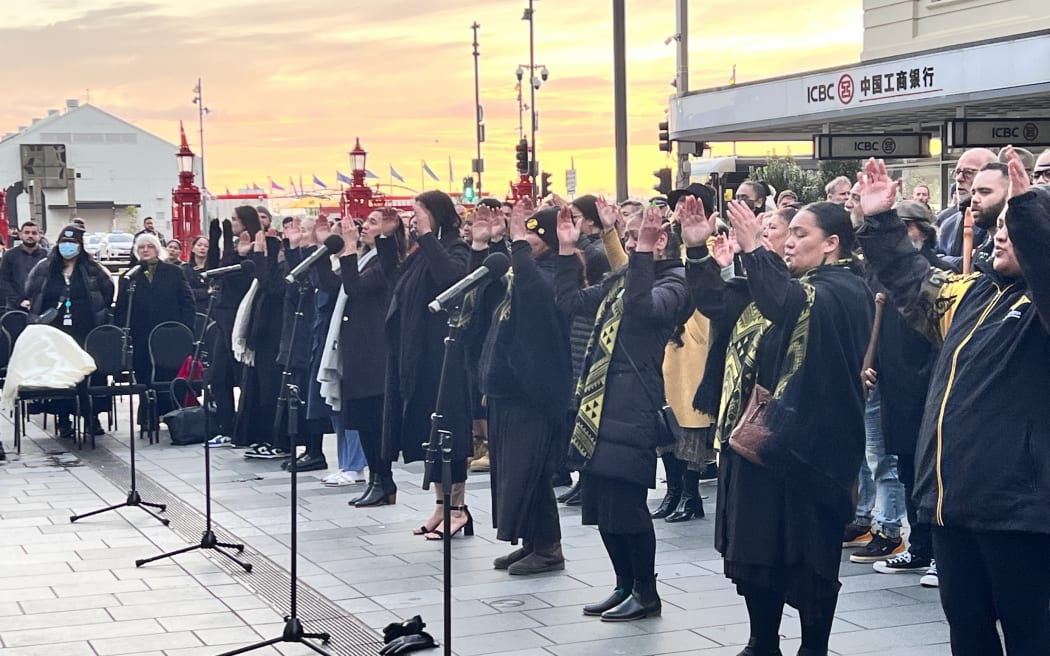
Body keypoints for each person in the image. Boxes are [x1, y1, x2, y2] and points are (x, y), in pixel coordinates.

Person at [857, 152, 1050, 656]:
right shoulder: (975, 293)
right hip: (951, 504)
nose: (1002, 233)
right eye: (1001, 223)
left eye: (1016, 222)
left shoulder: (1039, 306)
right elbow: (912, 284)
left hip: (1020, 513)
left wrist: (1030, 209)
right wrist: (880, 223)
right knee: (967, 632)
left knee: (1031, 636)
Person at [684, 196, 874, 656]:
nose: (788, 243)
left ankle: (814, 647)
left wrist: (755, 248)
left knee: (809, 557)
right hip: (758, 442)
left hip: (811, 448)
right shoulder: (783, 286)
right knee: (753, 550)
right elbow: (718, 303)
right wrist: (694, 251)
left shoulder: (841, 289)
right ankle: (762, 641)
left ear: (832, 244)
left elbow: (790, 305)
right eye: (785, 235)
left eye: (799, 234)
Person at [556, 204, 691, 621]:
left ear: (660, 240)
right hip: (598, 405)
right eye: (628, 238)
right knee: (601, 507)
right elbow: (570, 302)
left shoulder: (677, 280)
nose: (629, 245)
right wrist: (565, 251)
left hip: (633, 404)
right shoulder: (626, 276)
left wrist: (645, 254)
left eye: (637, 237)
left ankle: (646, 593)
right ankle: (623, 584)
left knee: (627, 505)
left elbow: (642, 308)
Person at [465, 202, 572, 575]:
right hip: (509, 392)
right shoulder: (525, 272)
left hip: (534, 394)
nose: (524, 242)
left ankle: (548, 547)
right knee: (515, 473)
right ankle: (530, 540)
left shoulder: (555, 274)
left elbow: (533, 287)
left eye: (531, 235)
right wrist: (495, 243)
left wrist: (516, 243)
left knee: (533, 472)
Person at [382, 190, 473, 539]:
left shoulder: (453, 246)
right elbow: (397, 280)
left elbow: (450, 280)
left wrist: (424, 237)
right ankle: (441, 504)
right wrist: (391, 237)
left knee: (450, 429)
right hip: (419, 354)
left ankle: (458, 508)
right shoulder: (422, 249)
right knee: (429, 433)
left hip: (445, 355)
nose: (414, 219)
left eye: (419, 213)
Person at [331, 209, 404, 503]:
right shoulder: (365, 258)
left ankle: (383, 479)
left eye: (372, 223)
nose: (363, 227)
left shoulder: (386, 260)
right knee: (361, 419)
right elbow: (332, 284)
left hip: (375, 352)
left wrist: (348, 248)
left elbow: (355, 287)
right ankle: (375, 479)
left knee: (375, 421)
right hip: (357, 351)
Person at [25, 225, 114, 438]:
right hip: (56, 330)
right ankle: (63, 418)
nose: (68, 247)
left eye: (72, 243)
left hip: (86, 328)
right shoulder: (45, 268)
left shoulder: (92, 268)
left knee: (88, 373)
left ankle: (91, 416)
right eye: (64, 243)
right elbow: (32, 291)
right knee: (61, 374)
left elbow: (107, 290)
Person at [114, 233, 196, 428]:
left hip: (169, 333)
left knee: (167, 374)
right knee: (144, 374)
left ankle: (171, 415)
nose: (145, 250)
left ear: (157, 249)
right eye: (141, 247)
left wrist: (184, 330)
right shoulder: (129, 276)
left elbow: (187, 303)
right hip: (141, 334)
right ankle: (148, 416)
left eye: (149, 246)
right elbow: (121, 308)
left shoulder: (173, 272)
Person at [204, 208, 260, 446]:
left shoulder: (253, 247)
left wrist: (231, 246)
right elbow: (215, 271)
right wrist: (217, 240)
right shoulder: (238, 245)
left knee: (242, 376)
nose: (232, 223)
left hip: (239, 318)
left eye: (235, 220)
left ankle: (245, 429)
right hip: (222, 317)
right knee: (217, 377)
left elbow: (236, 276)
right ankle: (226, 427)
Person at [1, 221, 47, 311]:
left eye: (34, 233)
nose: (30, 235)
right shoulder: (10, 255)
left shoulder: (47, 255)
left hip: (42, 307)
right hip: (15, 308)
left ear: (40, 236)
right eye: (26, 232)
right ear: (20, 235)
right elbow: (3, 281)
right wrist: (18, 300)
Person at [182, 236, 210, 314]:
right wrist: (206, 292)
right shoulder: (185, 269)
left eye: (206, 246)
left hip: (210, 310)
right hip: (193, 309)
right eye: (199, 245)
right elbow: (185, 292)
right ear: (193, 249)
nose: (202, 248)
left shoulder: (214, 268)